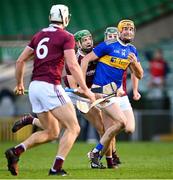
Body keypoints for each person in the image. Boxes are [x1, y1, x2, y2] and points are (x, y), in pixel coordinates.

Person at [5, 4, 95, 176]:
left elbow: (20, 61)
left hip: (34, 87)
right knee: (74, 128)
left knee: (52, 132)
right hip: (50, 86)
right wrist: (86, 90)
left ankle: (16, 151)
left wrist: (19, 84)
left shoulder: (38, 35)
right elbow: (72, 64)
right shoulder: (66, 36)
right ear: (66, 18)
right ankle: (56, 168)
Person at [11, 29, 120, 169]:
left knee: (59, 126)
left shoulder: (97, 53)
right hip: (78, 96)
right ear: (78, 44)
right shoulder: (73, 60)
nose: (88, 42)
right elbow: (76, 89)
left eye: (89, 39)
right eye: (84, 40)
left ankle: (30, 120)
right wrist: (91, 94)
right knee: (101, 127)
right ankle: (105, 161)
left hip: (92, 93)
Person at [81, 19, 143, 168]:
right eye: (125, 29)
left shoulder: (132, 50)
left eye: (131, 29)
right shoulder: (108, 46)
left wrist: (134, 63)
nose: (128, 32)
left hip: (115, 93)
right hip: (101, 92)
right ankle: (97, 154)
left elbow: (139, 75)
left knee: (128, 128)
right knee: (121, 122)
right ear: (120, 32)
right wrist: (83, 86)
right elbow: (85, 60)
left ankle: (99, 158)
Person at [99, 26, 141, 166]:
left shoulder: (126, 51)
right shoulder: (102, 51)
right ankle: (108, 157)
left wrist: (135, 90)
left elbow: (135, 72)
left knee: (126, 128)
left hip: (120, 94)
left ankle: (110, 153)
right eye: (108, 36)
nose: (111, 39)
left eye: (113, 36)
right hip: (103, 94)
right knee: (108, 127)